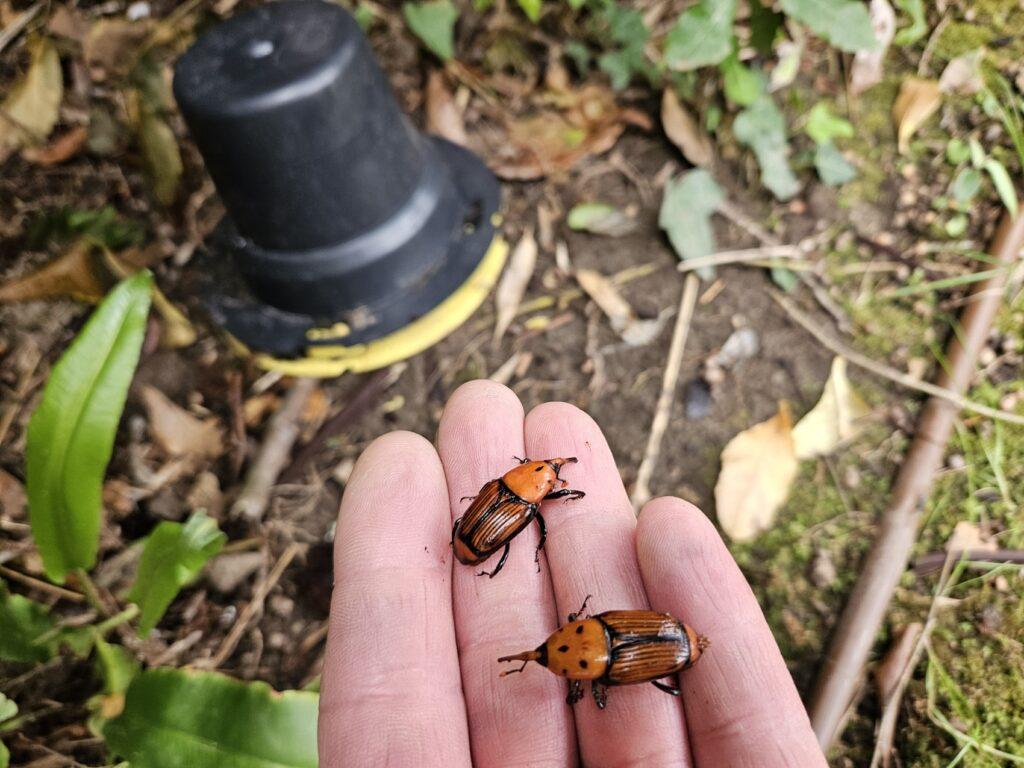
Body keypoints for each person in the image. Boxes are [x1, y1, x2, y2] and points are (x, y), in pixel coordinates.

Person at [318, 381, 828, 767]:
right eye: (546, 474)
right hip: (622, 626)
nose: (553, 474)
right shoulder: (521, 507)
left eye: (551, 475)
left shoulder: (512, 499)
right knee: (526, 533)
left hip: (651, 640)